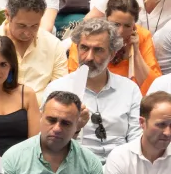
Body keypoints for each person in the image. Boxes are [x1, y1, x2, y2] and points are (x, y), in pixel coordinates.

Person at [43, 18, 141, 163]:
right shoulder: (57, 89)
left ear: (112, 54)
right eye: (84, 48)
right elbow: (48, 147)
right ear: (76, 48)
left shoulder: (129, 89)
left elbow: (137, 140)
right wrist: (74, 127)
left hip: (121, 166)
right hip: (75, 165)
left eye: (98, 50)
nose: (89, 57)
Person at [80, 0, 162, 95]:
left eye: (127, 26)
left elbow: (155, 88)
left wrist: (135, 52)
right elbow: (77, 78)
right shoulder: (89, 36)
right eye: (115, 24)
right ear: (106, 19)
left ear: (134, 25)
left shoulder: (142, 36)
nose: (120, 31)